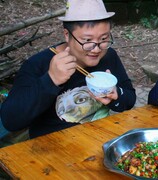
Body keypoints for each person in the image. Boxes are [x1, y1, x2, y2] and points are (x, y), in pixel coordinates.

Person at [0, 0, 136, 139]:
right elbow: (11, 121)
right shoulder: (38, 64)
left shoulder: (108, 56)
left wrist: (116, 95)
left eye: (104, 38)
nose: (96, 49)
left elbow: (129, 100)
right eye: (87, 40)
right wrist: (51, 80)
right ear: (67, 34)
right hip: (53, 149)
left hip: (98, 138)